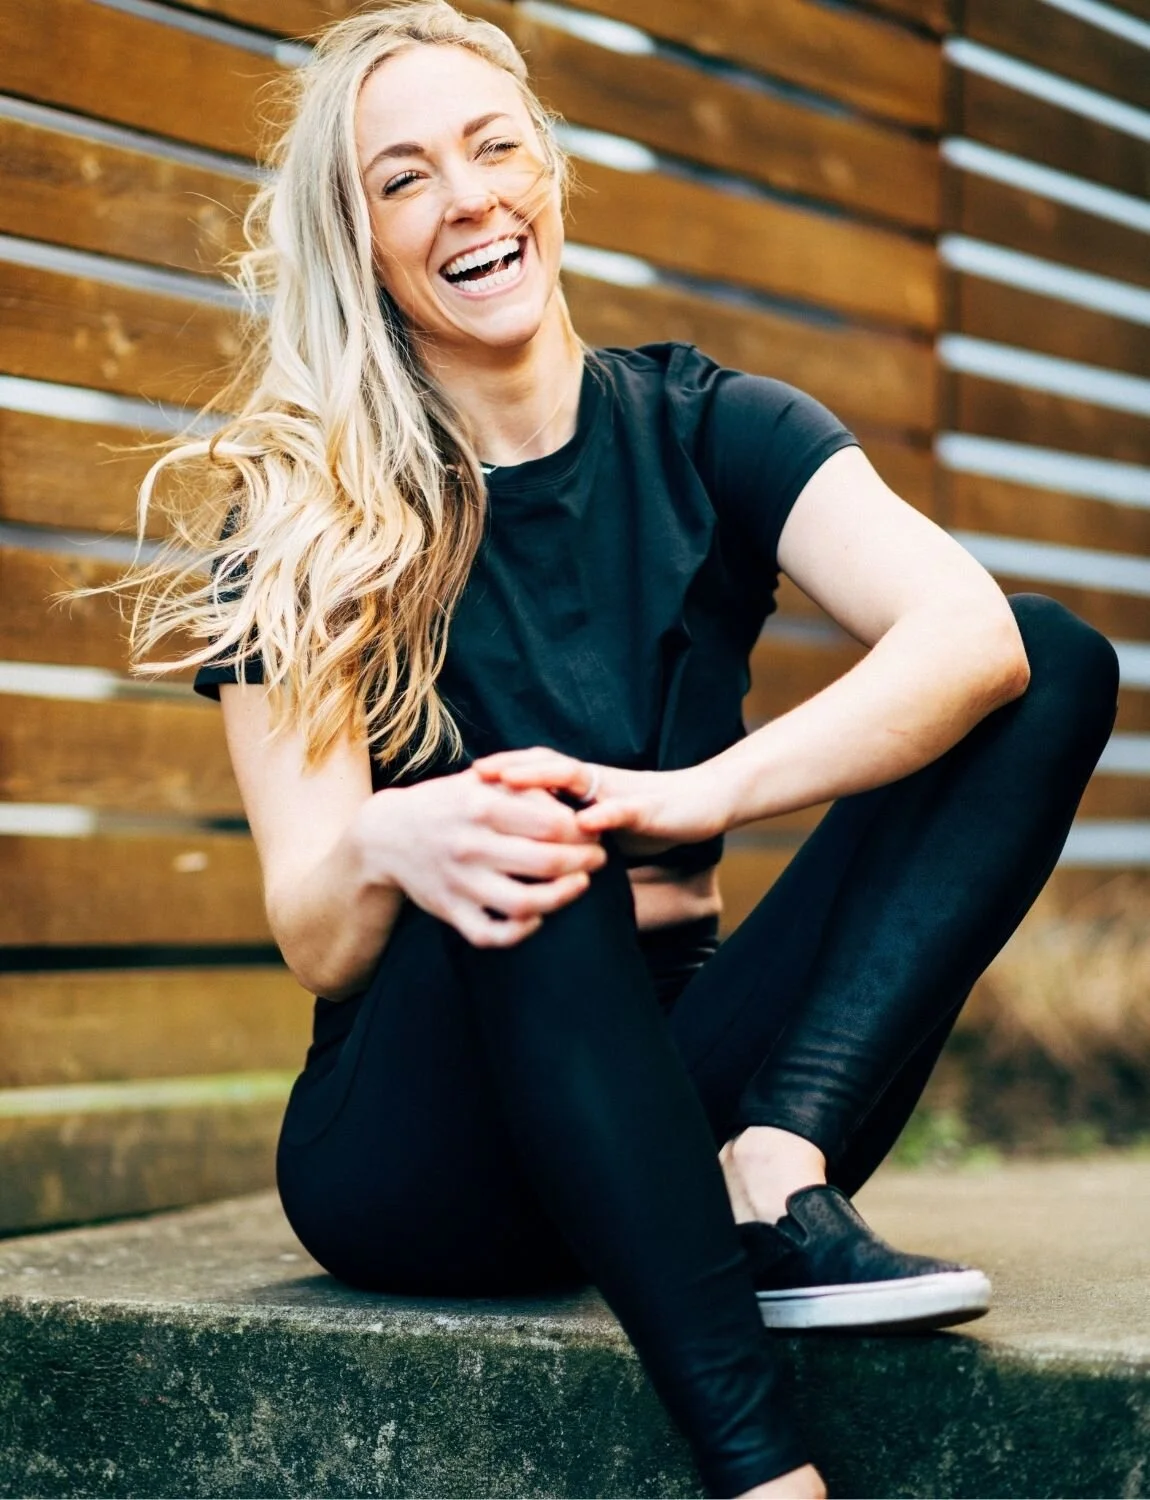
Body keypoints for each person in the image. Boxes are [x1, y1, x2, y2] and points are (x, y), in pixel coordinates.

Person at [93, 3, 1119, 1494]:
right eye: (403, 179)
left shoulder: (710, 429)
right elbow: (315, 929)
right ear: (359, 242)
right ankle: (765, 1472)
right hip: (424, 1155)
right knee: (519, 827)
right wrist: (395, 837)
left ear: (551, 171)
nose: (467, 198)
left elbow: (969, 636)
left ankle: (774, 1168)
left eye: (493, 147)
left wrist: (692, 797)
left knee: (1052, 660)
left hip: (682, 1086)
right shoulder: (308, 509)